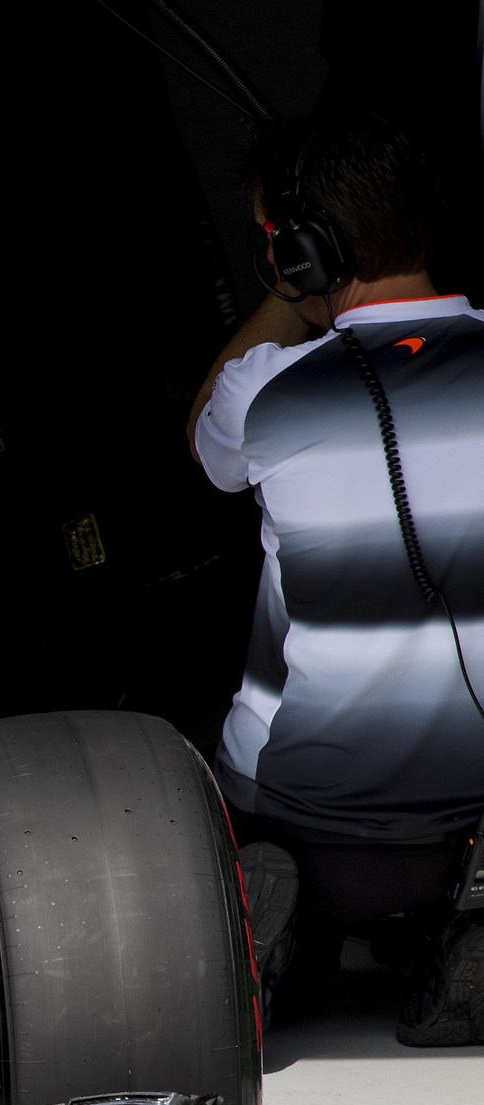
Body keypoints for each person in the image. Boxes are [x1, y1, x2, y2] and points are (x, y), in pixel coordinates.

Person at [190, 110, 484, 1045]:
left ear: (305, 251)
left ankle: (273, 914)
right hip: (473, 822)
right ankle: (462, 916)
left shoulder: (265, 391)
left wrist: (287, 292)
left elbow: (208, 448)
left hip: (309, 825)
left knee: (222, 732)